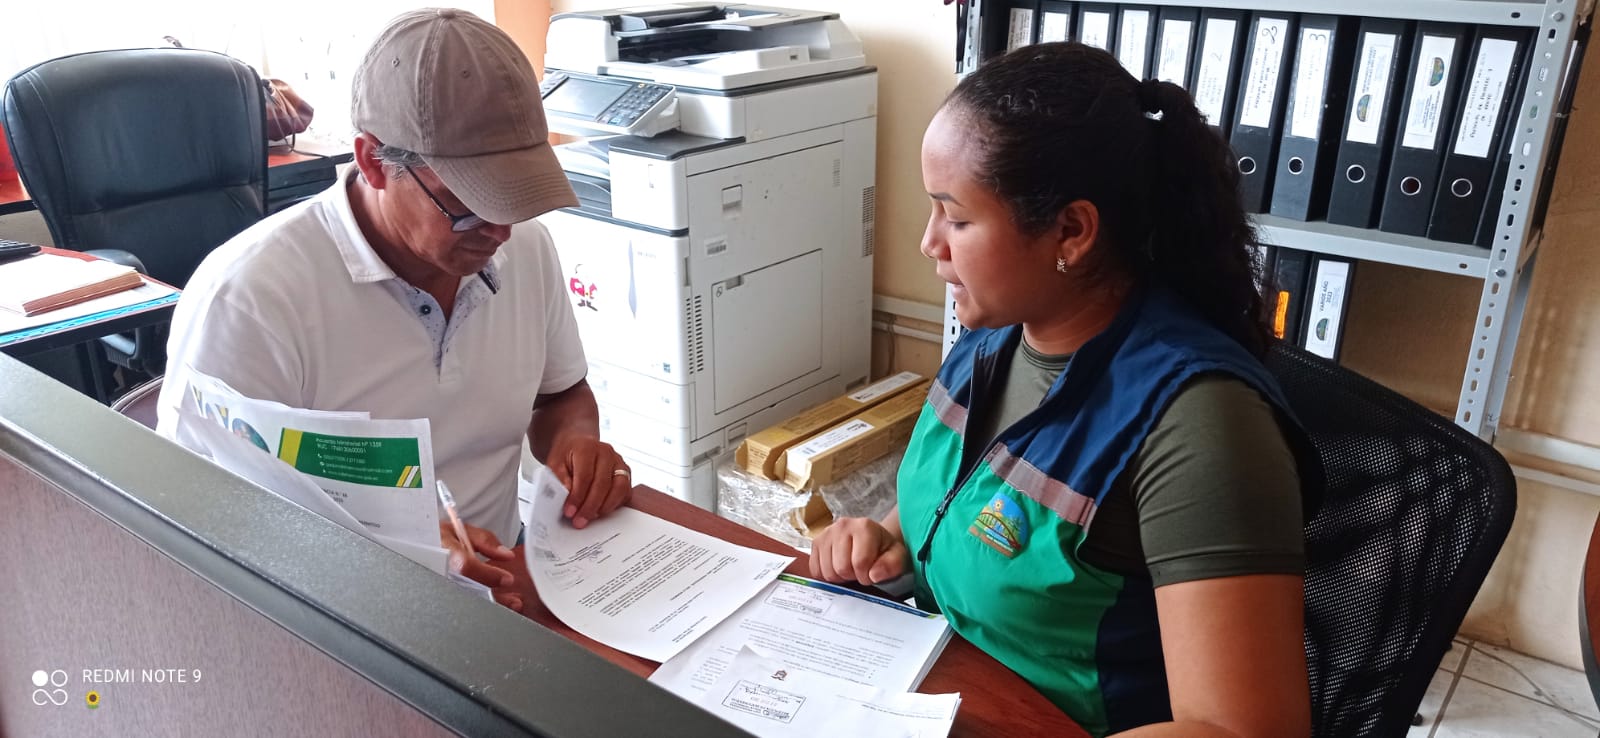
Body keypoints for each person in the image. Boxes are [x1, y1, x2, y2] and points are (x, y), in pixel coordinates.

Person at [809, 43, 1320, 738]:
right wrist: (886, 541)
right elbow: (957, 500)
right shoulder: (998, 336)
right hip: (938, 693)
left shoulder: (1201, 428)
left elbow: (1242, 731)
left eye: (957, 217)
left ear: (1071, 232)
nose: (930, 243)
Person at [155, 8, 632, 611]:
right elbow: (198, 526)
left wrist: (577, 445)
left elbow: (561, 396)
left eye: (515, 199)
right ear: (374, 162)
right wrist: (392, 550)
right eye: (468, 205)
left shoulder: (526, 249)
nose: (500, 232)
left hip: (506, 587)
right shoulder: (250, 297)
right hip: (339, 611)